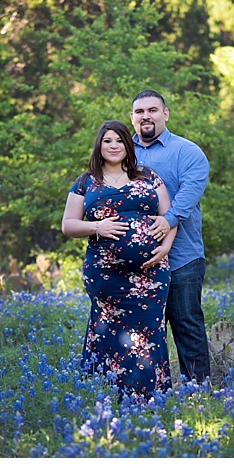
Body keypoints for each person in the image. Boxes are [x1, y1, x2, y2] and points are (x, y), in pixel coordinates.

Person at [61, 119, 175, 398]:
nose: (114, 146)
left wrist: (166, 248)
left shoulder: (148, 176)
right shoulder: (86, 181)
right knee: (109, 330)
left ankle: (150, 397)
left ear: (128, 144)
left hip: (151, 272)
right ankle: (108, 395)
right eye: (107, 141)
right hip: (105, 274)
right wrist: (98, 226)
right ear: (99, 146)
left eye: (119, 140)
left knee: (149, 330)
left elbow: (169, 217)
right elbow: (68, 225)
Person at [131, 89, 212, 384]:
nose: (146, 116)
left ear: (165, 114)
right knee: (142, 331)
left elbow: (186, 201)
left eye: (152, 110)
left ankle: (198, 392)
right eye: (139, 112)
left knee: (186, 324)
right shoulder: (121, 151)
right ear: (132, 117)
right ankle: (147, 392)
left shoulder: (187, 152)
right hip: (135, 261)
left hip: (182, 257)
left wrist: (166, 222)